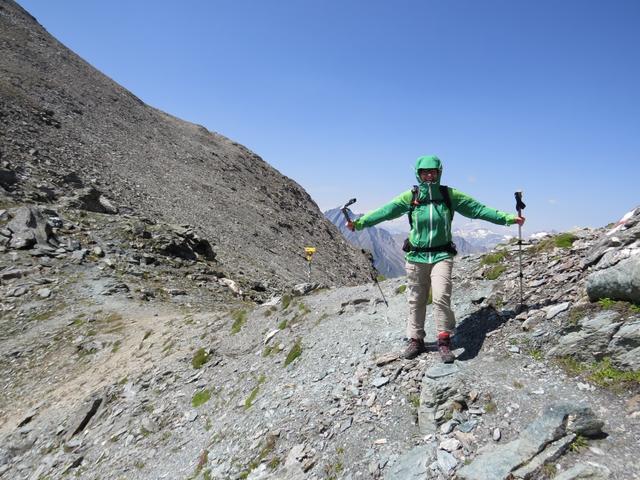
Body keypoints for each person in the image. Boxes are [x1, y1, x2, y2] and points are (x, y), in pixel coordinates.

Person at [347, 155, 525, 363]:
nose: (429, 175)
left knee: (441, 297)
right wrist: (360, 223)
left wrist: (507, 219)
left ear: (439, 173)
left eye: (433, 172)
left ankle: (443, 340)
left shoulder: (449, 195)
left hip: (442, 255)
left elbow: (478, 210)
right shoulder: (411, 196)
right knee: (416, 299)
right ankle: (416, 340)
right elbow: (386, 212)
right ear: (418, 174)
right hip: (416, 256)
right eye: (424, 172)